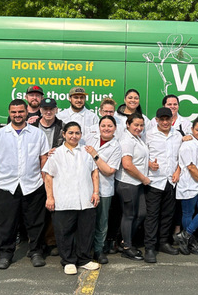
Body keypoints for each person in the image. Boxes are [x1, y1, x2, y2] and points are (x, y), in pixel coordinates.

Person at [0, 99, 50, 270]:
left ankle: (36, 252)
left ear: (26, 112)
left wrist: (44, 181)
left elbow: (44, 158)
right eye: (14, 112)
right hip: (6, 185)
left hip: (33, 185)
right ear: (9, 113)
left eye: (20, 111)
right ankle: (5, 254)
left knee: (35, 222)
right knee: (6, 222)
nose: (17, 115)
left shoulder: (37, 134)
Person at [43, 122, 101, 275]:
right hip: (64, 200)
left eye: (77, 133)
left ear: (81, 135)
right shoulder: (56, 154)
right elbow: (48, 176)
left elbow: (94, 173)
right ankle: (68, 261)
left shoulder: (86, 152)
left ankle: (84, 259)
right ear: (64, 134)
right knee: (64, 232)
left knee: (85, 232)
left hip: (86, 199)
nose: (74, 136)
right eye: (70, 133)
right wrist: (50, 197)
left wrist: (96, 192)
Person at [144, 107, 183, 263]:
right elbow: (141, 155)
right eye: (162, 119)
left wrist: (178, 171)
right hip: (154, 181)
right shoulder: (148, 135)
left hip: (171, 181)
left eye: (168, 119)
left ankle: (163, 243)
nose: (165, 122)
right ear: (157, 120)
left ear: (171, 119)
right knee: (152, 216)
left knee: (168, 215)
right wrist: (148, 164)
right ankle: (150, 248)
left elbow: (182, 156)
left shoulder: (178, 135)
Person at [84, 116, 122, 265]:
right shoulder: (89, 138)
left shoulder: (116, 146)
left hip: (104, 188)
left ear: (115, 128)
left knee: (102, 221)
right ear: (99, 127)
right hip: (86, 186)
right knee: (86, 221)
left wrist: (95, 155)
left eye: (110, 126)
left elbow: (108, 170)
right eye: (104, 125)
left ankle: (98, 250)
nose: (106, 128)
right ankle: (85, 249)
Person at [174, 117, 198, 256]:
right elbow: (191, 166)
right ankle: (190, 242)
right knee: (188, 214)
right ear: (191, 130)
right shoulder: (188, 145)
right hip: (190, 185)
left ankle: (185, 235)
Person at [31, 97, 64, 256]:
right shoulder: (31, 127)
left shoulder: (63, 126)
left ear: (56, 109)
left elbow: (70, 146)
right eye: (45, 109)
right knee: (37, 210)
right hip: (34, 174)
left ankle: (51, 241)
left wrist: (57, 151)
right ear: (40, 110)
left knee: (53, 209)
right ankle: (36, 242)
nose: (48, 112)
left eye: (51, 109)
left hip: (55, 174)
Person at [116, 113, 150, 260]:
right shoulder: (126, 140)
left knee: (141, 213)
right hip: (127, 183)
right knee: (129, 215)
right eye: (136, 125)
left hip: (137, 183)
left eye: (141, 125)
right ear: (128, 124)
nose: (139, 128)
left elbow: (139, 159)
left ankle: (124, 239)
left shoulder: (137, 138)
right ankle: (127, 247)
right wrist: (143, 178)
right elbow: (127, 164)